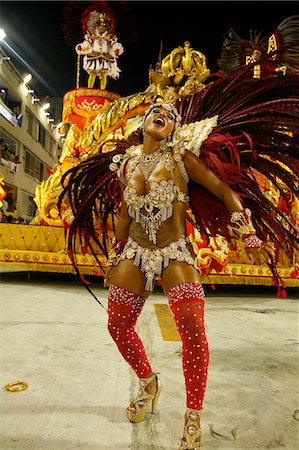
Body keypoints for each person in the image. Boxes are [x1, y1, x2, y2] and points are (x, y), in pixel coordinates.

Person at [59, 67, 298, 449]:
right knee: (117, 326)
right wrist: (115, 255)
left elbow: (222, 188)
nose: (163, 114)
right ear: (143, 122)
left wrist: (247, 230)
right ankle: (148, 381)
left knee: (191, 328)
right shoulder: (127, 164)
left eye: (170, 115)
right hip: (134, 251)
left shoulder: (183, 159)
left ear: (173, 129)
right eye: (157, 110)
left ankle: (192, 416)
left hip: (174, 252)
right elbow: (124, 214)